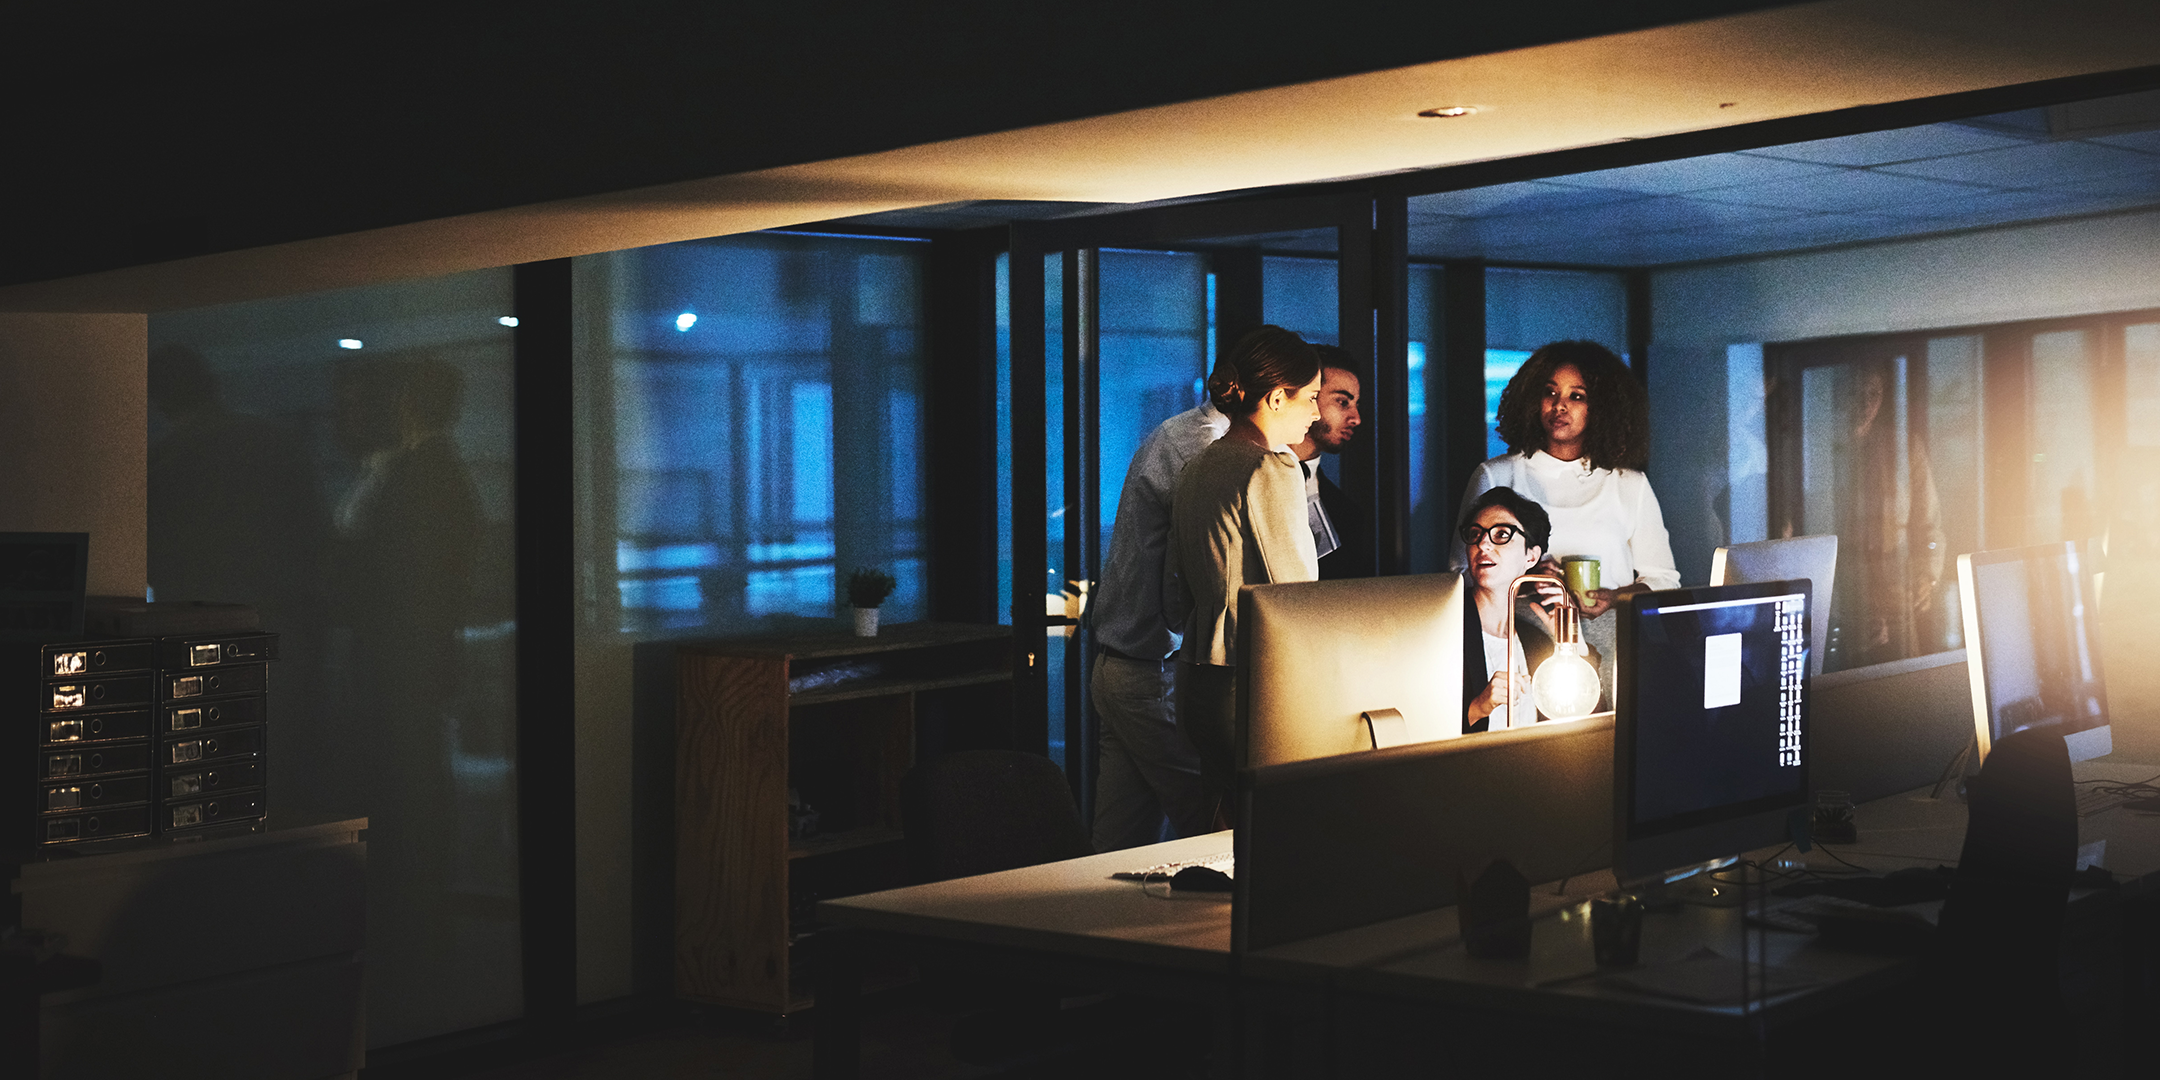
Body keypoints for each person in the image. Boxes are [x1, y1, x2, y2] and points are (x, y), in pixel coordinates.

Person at [1450, 341, 1678, 695]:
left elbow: (1664, 580)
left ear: (1601, 407)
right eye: (1550, 392)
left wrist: (1612, 598)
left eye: (1577, 396)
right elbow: (1457, 579)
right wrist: (1525, 575)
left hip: (1615, 642)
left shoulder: (1628, 484)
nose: (1559, 405)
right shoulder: (1496, 475)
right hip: (1521, 640)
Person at [1167, 325, 1324, 815]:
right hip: (1252, 684)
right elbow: (1297, 599)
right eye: (1313, 397)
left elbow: (1173, 600)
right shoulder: (1272, 468)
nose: (1317, 413)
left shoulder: (1200, 466)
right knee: (1277, 836)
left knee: (1227, 829)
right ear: (1278, 397)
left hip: (1199, 683)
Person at [1087, 370, 1231, 851]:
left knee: (1120, 842)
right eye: (1315, 397)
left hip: (1128, 665)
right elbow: (1183, 578)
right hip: (1155, 672)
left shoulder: (1191, 438)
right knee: (1219, 830)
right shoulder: (1204, 448)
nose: (1317, 412)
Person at [1457, 487, 1591, 733]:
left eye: (1501, 534)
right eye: (1475, 534)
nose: (1483, 543)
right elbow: (1418, 728)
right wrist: (1479, 707)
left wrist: (1574, 643)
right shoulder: (1445, 632)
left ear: (1531, 557)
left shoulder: (1536, 644)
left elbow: (1582, 726)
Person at [1290, 345, 1371, 580]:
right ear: (1308, 396)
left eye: (1356, 404)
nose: (1356, 418)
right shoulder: (1245, 476)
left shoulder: (1348, 514)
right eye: (1342, 402)